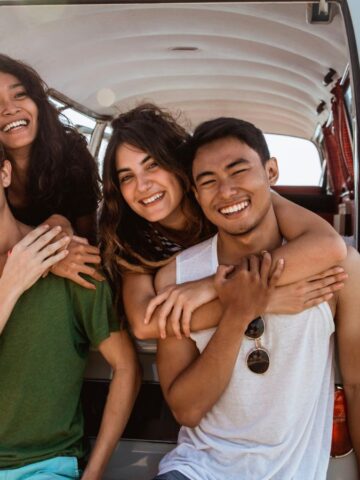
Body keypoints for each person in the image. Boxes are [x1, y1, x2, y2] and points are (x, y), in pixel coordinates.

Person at [152, 117, 360, 479]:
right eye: (208, 182)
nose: (227, 191)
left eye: (238, 171)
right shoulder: (177, 277)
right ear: (197, 196)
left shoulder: (340, 269)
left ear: (271, 171)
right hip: (197, 470)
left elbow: (357, 385)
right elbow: (186, 410)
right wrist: (238, 311)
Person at [99, 103, 346, 339]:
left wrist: (210, 287)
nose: (142, 186)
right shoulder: (130, 238)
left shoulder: (227, 200)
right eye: (127, 177)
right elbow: (144, 324)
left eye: (152, 165)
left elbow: (328, 245)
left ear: (176, 163)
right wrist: (263, 302)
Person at [0, 144, 140, 480]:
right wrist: (12, 284)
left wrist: (93, 474)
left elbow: (126, 368)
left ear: (4, 173)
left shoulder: (74, 264)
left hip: (43, 467)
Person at [0, 54, 102, 289]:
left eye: (20, 94)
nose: (9, 109)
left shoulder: (73, 158)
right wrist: (45, 258)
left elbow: (88, 242)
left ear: (37, 103)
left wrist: (62, 228)